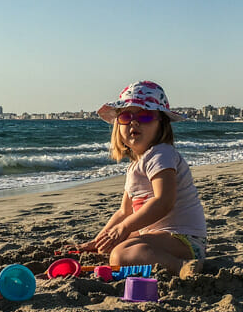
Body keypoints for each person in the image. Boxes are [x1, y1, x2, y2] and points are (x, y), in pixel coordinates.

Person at [81, 81, 207, 277]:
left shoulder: (161, 154)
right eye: (126, 116)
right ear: (117, 125)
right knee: (113, 246)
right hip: (161, 236)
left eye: (145, 115)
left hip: (183, 240)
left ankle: (181, 266)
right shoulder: (136, 165)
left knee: (120, 256)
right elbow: (124, 211)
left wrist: (124, 228)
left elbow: (163, 201)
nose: (134, 122)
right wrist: (99, 239)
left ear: (161, 124)